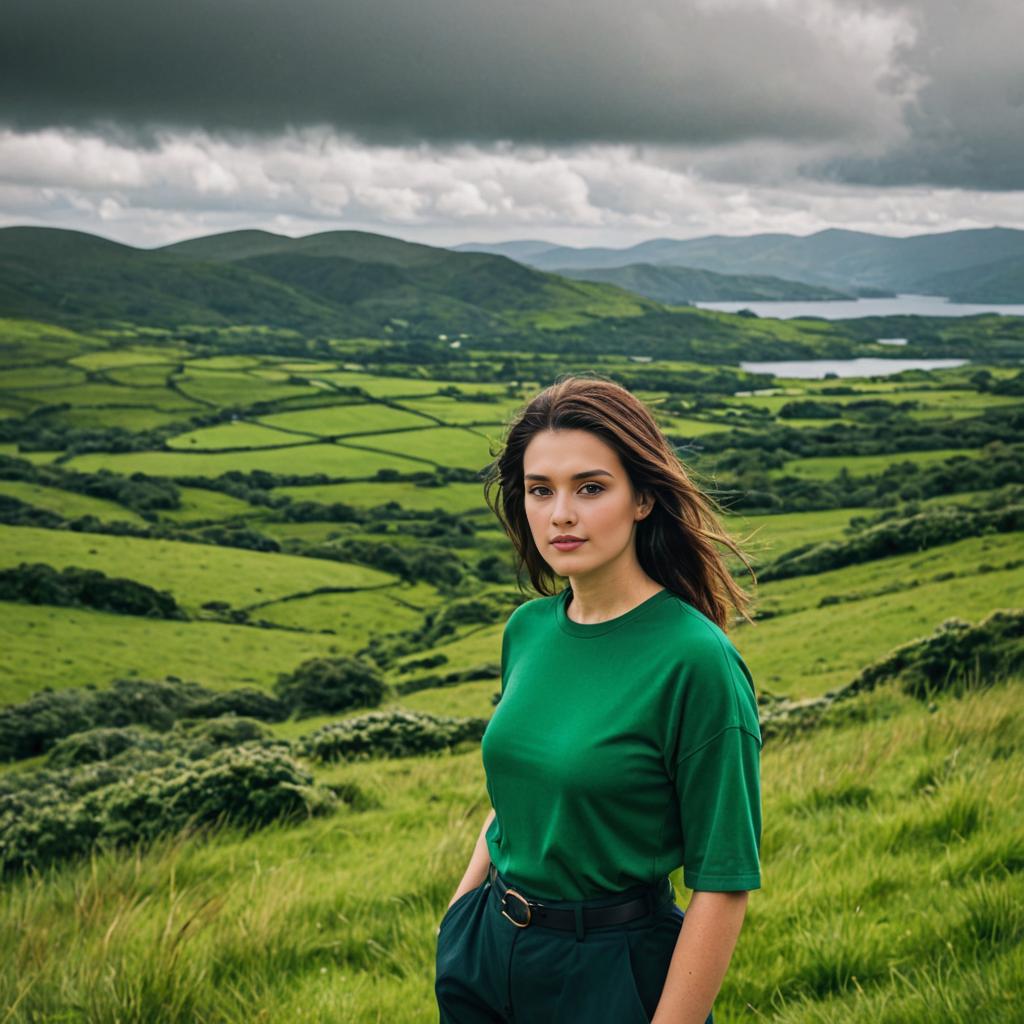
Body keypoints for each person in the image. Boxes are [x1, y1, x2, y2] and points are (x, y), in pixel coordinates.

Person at [434, 374, 763, 1024]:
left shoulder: (695, 661)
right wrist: (460, 919)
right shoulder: (526, 630)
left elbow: (723, 885)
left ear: (643, 497)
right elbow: (515, 799)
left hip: (611, 971)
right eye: (539, 490)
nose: (560, 514)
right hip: (486, 952)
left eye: (590, 488)